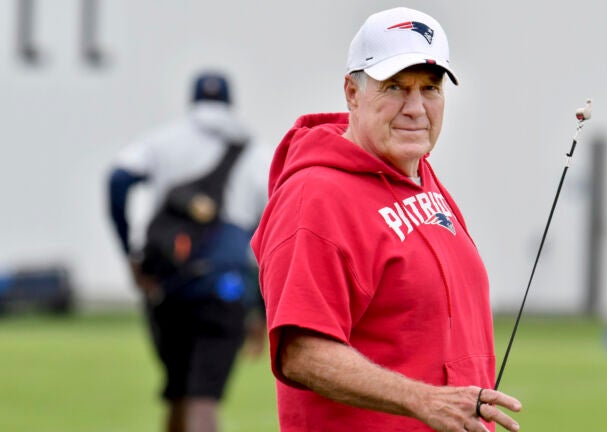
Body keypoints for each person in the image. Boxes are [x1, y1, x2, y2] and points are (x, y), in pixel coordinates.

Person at [251, 7, 522, 432]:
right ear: (353, 92)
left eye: (430, 89)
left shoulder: (418, 175)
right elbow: (300, 351)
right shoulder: (315, 197)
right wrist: (424, 400)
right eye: (395, 87)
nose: (416, 108)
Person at [107, 71, 269, 432]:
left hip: (168, 286)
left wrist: (130, 252)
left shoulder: (162, 141)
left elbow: (118, 181)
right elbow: (267, 236)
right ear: (230, 103)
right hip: (224, 288)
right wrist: (260, 309)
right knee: (203, 397)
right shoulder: (255, 153)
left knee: (179, 390)